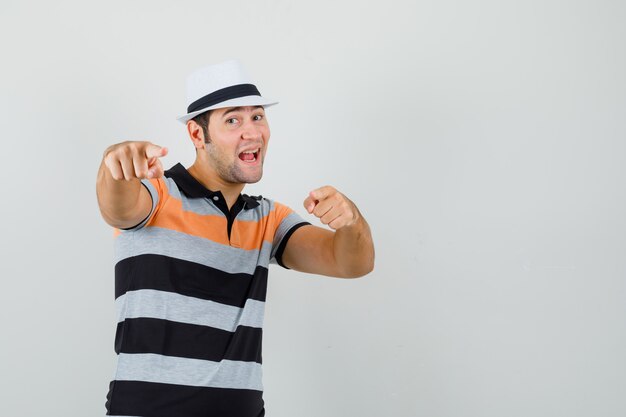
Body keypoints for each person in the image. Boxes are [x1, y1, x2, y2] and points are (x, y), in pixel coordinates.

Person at [96, 60, 375, 417]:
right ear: (198, 135)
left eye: (257, 117)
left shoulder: (267, 218)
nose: (252, 132)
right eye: (232, 120)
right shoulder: (156, 194)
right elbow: (116, 207)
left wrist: (352, 222)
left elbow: (352, 262)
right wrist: (115, 164)